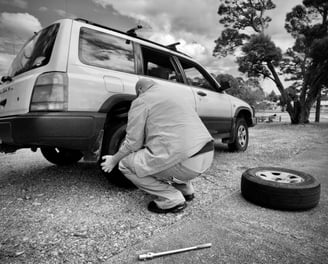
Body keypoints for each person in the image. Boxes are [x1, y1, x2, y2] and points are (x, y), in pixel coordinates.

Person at [101, 78, 214, 214]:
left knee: (125, 164)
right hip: (207, 155)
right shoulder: (174, 96)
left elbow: (133, 142)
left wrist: (113, 160)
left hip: (185, 162)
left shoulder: (142, 100)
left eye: (137, 93)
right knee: (172, 151)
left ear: (140, 90)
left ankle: (172, 198)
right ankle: (186, 190)